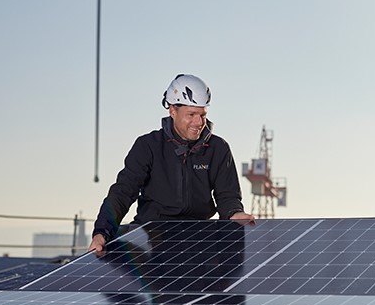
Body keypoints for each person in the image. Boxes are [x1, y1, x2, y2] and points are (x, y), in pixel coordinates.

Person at [89, 74, 254, 253]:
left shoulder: (218, 148)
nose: (198, 122)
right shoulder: (148, 146)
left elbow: (227, 196)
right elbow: (123, 192)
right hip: (151, 235)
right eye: (191, 114)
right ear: (172, 111)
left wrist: (234, 213)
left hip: (199, 236)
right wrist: (101, 233)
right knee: (115, 254)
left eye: (202, 115)